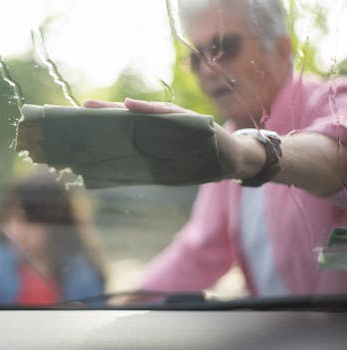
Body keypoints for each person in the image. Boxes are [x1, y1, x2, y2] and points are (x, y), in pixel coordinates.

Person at [85, 0, 347, 297]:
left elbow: (337, 157)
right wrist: (119, 306)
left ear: (282, 49)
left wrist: (250, 155)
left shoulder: (333, 101)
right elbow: (199, 253)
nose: (208, 68)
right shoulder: (230, 139)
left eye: (224, 47)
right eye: (196, 58)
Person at [0, 172, 105, 304]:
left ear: (56, 224)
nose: (16, 229)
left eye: (30, 221)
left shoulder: (81, 273)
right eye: (11, 216)